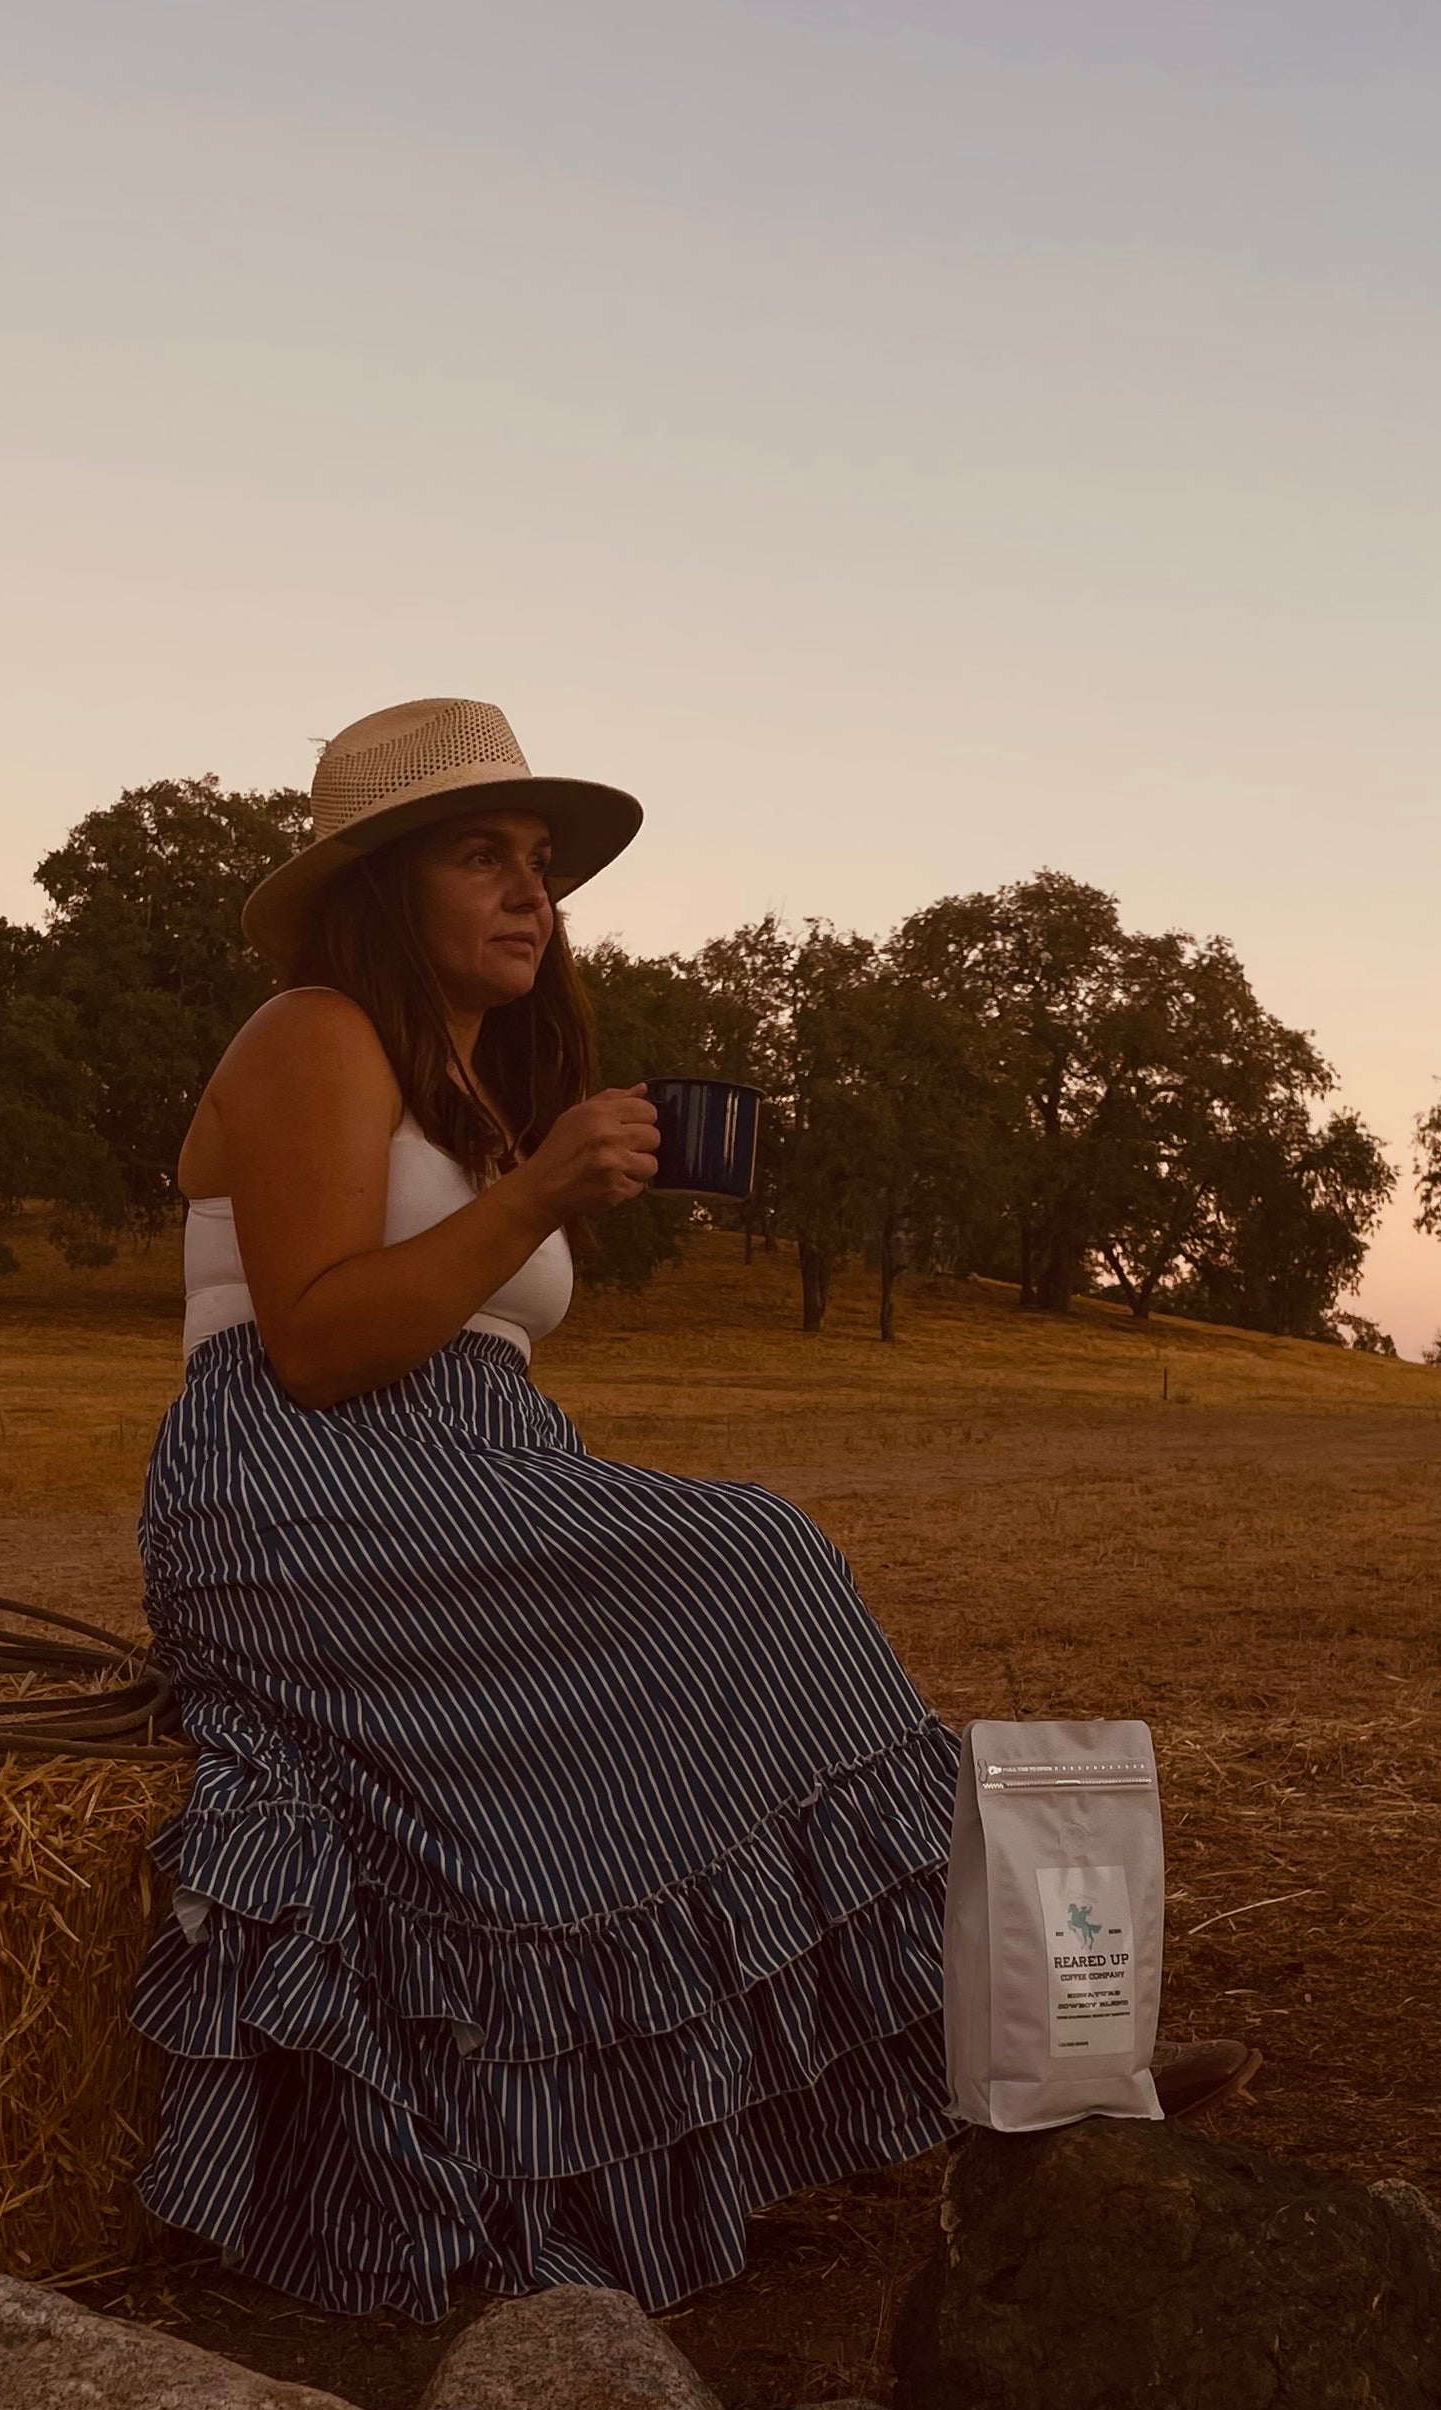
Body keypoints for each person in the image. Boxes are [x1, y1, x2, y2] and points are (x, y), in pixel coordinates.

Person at [130, 698, 1250, 2319]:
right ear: (381, 886)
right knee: (756, 1557)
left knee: (694, 1667)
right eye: (482, 857)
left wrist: (535, 1206)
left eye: (540, 866)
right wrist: (535, 1194)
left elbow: (465, 1352)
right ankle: (999, 2029)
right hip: (304, 1497)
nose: (533, 896)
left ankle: (1010, 2044)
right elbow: (310, 1344)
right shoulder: (312, 1029)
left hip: (465, 1466)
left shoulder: (461, 1083)